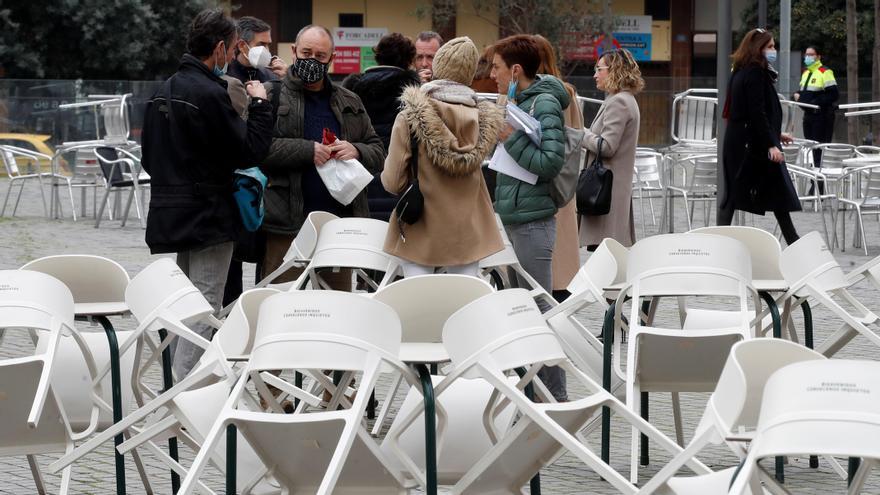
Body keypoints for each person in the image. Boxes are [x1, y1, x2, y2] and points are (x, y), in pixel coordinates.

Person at [142, 8, 273, 378]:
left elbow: (149, 158)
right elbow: (249, 150)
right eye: (232, 51)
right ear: (218, 48)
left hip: (172, 209)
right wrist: (261, 103)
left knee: (187, 302)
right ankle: (186, 394)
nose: (231, 58)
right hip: (209, 212)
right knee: (204, 305)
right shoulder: (209, 93)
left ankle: (177, 385)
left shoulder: (163, 88)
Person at [260, 24, 385, 288]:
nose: (312, 60)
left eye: (320, 55)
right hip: (287, 226)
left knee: (334, 305)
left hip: (337, 227)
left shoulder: (349, 100)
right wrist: (307, 150)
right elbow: (258, 149)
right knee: (280, 302)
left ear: (332, 58)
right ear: (294, 52)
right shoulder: (272, 95)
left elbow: (378, 151)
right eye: (306, 53)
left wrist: (357, 150)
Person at [381, 36, 504, 277]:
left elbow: (393, 181)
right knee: (463, 302)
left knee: (421, 304)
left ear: (438, 67)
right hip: (469, 229)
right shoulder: (483, 119)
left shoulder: (411, 116)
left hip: (421, 227)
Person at [490, 34, 569, 401]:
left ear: (515, 70)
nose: (491, 73)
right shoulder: (517, 100)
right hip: (515, 215)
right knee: (523, 308)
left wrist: (509, 139)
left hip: (534, 219)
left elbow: (551, 163)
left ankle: (554, 395)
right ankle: (533, 391)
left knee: (538, 307)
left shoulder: (546, 103)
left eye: (496, 66)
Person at [719, 28, 801, 245]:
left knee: (741, 194)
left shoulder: (740, 70)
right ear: (758, 49)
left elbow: (750, 111)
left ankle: (793, 240)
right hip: (753, 146)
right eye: (770, 46)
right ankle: (794, 242)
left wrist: (775, 134)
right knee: (768, 192)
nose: (774, 50)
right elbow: (757, 111)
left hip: (742, 141)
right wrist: (771, 144)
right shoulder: (755, 72)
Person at [342, 33, 421, 220]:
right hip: (397, 180)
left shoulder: (351, 89)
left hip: (358, 178)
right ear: (409, 60)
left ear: (377, 56)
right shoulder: (413, 93)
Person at [533, 34, 584, 302]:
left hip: (547, 181)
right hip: (564, 183)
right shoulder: (568, 93)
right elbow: (577, 137)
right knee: (560, 260)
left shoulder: (547, 95)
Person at [579, 49, 643, 251]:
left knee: (605, 257)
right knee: (607, 257)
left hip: (606, 193)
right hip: (610, 191)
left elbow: (607, 146)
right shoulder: (622, 99)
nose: (595, 75)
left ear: (614, 70)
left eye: (599, 69)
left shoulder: (619, 101)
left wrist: (580, 134)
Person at [793, 45, 839, 192]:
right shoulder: (806, 73)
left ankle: (818, 186)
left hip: (822, 117)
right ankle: (816, 183)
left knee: (819, 151)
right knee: (812, 151)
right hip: (809, 117)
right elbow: (804, 92)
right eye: (806, 54)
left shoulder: (825, 72)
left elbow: (833, 95)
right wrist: (796, 96)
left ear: (818, 57)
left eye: (811, 55)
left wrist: (814, 103)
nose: (808, 57)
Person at [227, 16, 287, 82]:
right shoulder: (226, 76)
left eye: (268, 45)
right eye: (261, 44)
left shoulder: (271, 77)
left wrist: (286, 79)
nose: (266, 50)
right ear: (242, 46)